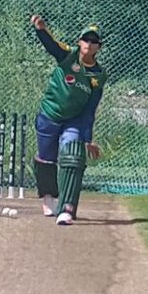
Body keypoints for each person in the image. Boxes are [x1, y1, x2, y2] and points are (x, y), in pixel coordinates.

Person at [29, 14, 108, 225]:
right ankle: (48, 197)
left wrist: (87, 138)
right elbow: (51, 46)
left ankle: (67, 209)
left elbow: (91, 107)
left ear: (98, 47)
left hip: (74, 119)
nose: (89, 44)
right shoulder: (68, 55)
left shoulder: (99, 75)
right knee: (46, 159)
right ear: (79, 42)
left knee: (73, 154)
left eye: (94, 42)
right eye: (86, 40)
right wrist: (40, 29)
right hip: (50, 114)